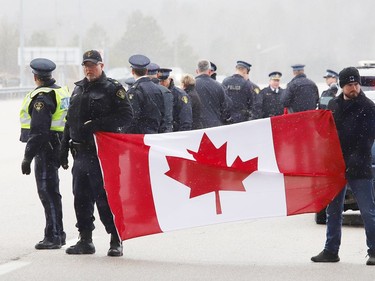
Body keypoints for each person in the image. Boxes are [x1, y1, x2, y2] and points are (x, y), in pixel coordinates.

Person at [60, 50, 133, 257]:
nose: (88, 69)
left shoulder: (113, 88)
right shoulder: (78, 89)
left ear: (101, 65)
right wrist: (63, 148)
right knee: (80, 198)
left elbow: (126, 116)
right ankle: (85, 239)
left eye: (92, 65)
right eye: (85, 65)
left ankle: (115, 238)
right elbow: (70, 121)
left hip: (102, 155)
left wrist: (98, 125)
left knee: (106, 197)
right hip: (80, 153)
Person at [311, 67, 375, 266]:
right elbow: (325, 133)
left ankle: (373, 250)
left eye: (356, 84)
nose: (354, 88)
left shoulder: (368, 107)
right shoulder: (333, 105)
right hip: (336, 167)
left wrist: (353, 159)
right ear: (342, 86)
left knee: (368, 211)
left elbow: (367, 138)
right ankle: (331, 250)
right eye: (349, 85)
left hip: (360, 167)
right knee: (333, 211)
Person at [20, 58, 70, 249]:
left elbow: (39, 131)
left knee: (47, 192)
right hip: (56, 145)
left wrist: (27, 157)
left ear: (35, 76)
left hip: (45, 148)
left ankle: (53, 236)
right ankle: (59, 233)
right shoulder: (60, 91)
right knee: (53, 192)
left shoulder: (42, 97)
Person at [126, 54, 162, 134]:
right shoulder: (157, 88)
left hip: (140, 136)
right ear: (146, 71)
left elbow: (133, 116)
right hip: (155, 133)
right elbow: (161, 112)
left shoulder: (134, 90)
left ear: (132, 71)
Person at [195, 59, 231, 128]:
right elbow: (226, 108)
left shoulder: (191, 86)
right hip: (214, 126)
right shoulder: (219, 86)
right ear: (209, 71)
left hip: (196, 127)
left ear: (197, 71)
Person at [147, 62, 173, 133]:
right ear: (158, 74)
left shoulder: (140, 89)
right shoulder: (165, 91)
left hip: (145, 133)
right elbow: (167, 117)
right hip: (161, 133)